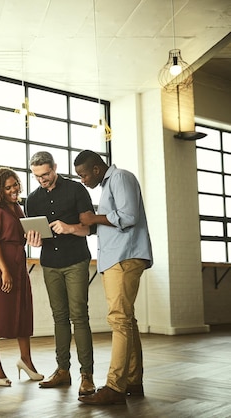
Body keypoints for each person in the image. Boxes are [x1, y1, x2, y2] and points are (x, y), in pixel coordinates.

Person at [73, 150, 153, 405]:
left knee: (119, 319)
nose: (83, 180)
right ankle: (132, 380)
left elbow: (129, 218)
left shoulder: (120, 178)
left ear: (97, 169)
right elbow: (112, 223)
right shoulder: (109, 185)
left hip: (124, 257)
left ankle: (114, 387)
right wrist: (85, 226)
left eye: (84, 174)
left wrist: (94, 218)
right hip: (116, 257)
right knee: (126, 319)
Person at [25, 151, 96, 396]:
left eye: (46, 174)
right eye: (37, 176)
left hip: (76, 260)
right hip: (50, 262)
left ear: (55, 167)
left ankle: (86, 375)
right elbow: (34, 234)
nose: (42, 180)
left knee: (79, 317)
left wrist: (70, 227)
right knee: (59, 317)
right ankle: (62, 370)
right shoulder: (32, 200)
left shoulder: (76, 190)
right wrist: (33, 240)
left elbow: (89, 228)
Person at [0, 167, 44, 387]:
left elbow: (21, 234)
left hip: (16, 262)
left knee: (22, 310)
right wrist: (4, 270)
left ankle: (26, 361)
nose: (14, 190)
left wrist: (35, 236)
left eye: (15, 185)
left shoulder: (16, 207)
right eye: (8, 187)